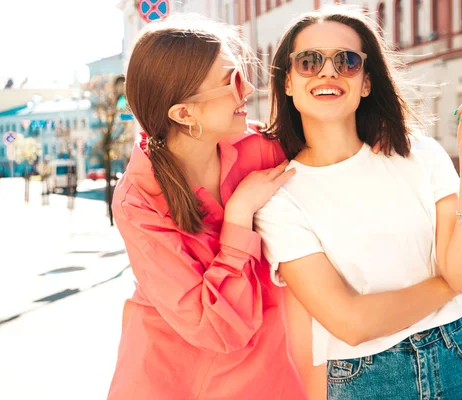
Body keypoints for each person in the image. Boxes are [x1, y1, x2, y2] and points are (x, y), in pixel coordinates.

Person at [254, 6, 462, 399]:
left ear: (366, 82)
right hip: (369, 382)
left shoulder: (419, 155)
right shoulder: (279, 199)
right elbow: (351, 322)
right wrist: (449, 284)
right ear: (287, 81)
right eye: (309, 61)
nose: (328, 72)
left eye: (347, 61)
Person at [106, 15, 306, 400]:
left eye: (241, 73)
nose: (246, 88)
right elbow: (216, 328)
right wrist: (239, 213)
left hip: (268, 376)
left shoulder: (261, 148)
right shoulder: (138, 201)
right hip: (169, 382)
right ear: (183, 113)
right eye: (229, 80)